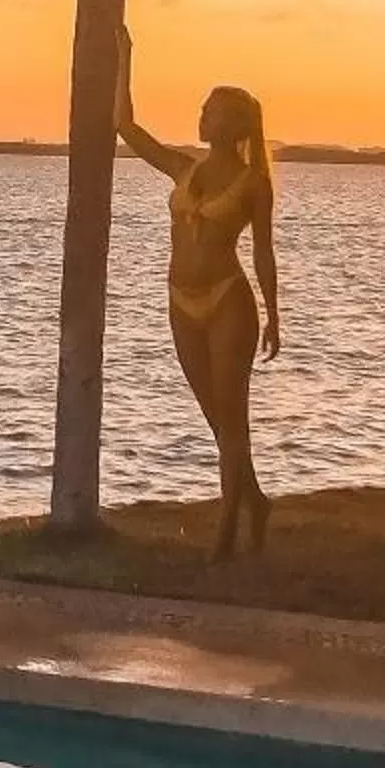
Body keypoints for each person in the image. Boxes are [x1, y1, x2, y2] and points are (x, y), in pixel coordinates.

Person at [116, 28, 281, 557]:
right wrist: (126, 57)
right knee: (216, 416)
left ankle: (227, 528)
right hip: (180, 301)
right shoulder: (185, 168)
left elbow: (262, 252)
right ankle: (254, 499)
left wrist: (274, 315)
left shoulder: (254, 184)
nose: (200, 117)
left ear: (231, 124)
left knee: (234, 415)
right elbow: (126, 128)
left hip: (228, 299)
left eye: (209, 111)